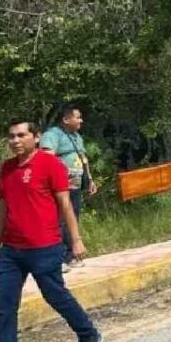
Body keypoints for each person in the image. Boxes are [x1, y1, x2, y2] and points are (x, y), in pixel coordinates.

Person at [0, 119, 103, 342]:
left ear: (36, 138)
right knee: (5, 306)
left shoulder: (50, 165)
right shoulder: (7, 169)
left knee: (55, 295)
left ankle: (88, 334)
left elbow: (65, 205)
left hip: (44, 245)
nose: (15, 141)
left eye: (21, 135)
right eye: (11, 136)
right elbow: (2, 208)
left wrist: (76, 241)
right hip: (11, 249)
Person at [39, 103, 98, 271]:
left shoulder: (76, 137)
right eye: (77, 117)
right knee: (58, 221)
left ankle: (71, 255)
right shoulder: (52, 135)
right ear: (66, 119)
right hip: (59, 187)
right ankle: (58, 258)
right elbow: (47, 158)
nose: (81, 120)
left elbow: (83, 158)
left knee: (73, 219)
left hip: (76, 185)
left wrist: (90, 179)